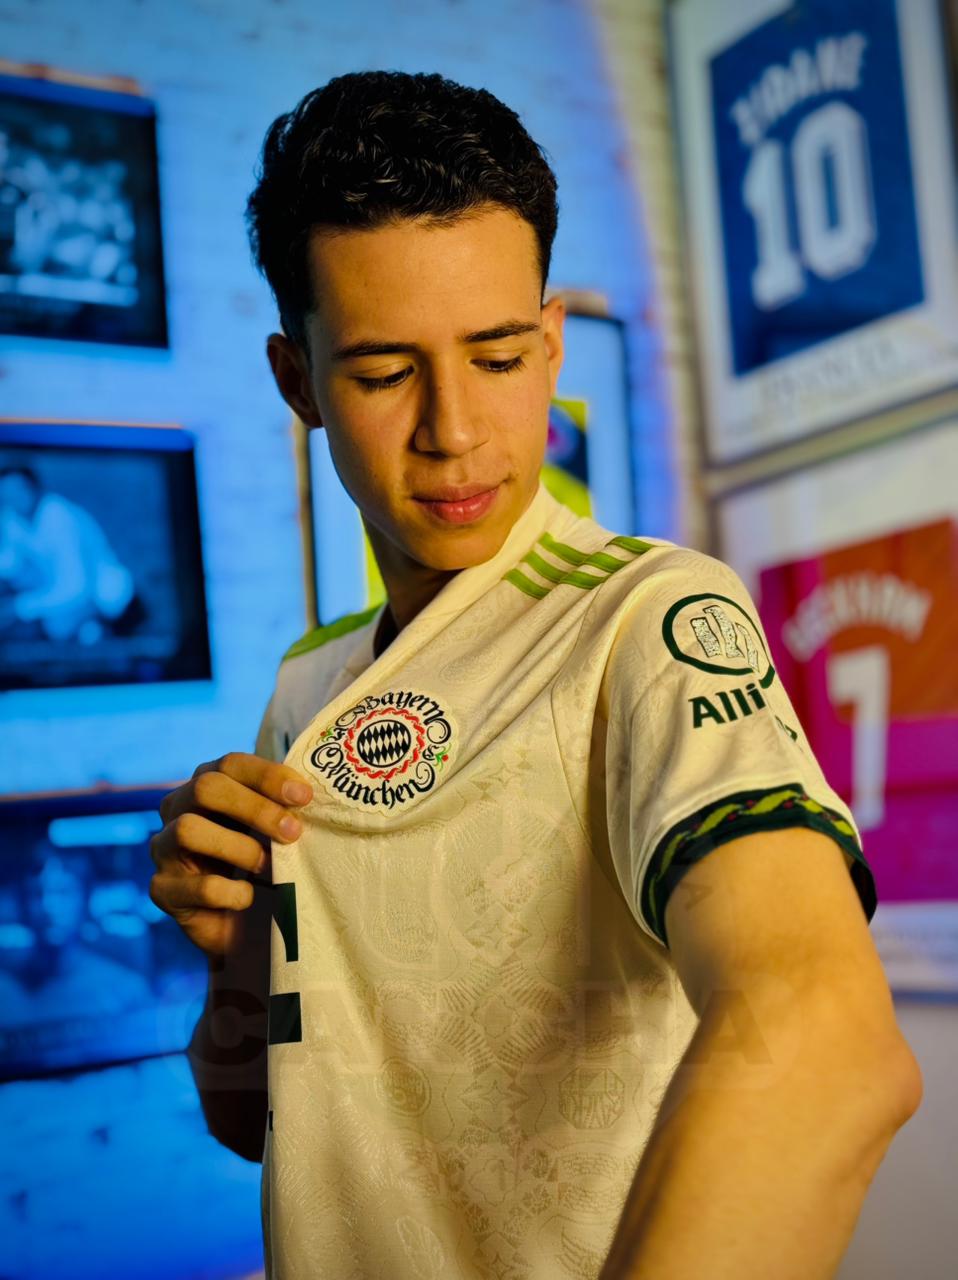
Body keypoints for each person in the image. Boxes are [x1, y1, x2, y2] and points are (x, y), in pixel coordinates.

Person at [149, 71, 921, 1280]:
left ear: (550, 342)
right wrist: (238, 954)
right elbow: (258, 1120)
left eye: (499, 355)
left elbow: (824, 1036)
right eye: (383, 372)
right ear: (297, 381)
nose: (454, 429)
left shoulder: (646, 616)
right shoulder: (309, 687)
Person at [0, 464, 137, 643]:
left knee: (61, 628)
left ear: (35, 488)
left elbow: (77, 587)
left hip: (99, 595)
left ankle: (97, 627)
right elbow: (11, 564)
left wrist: (21, 607)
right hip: (56, 589)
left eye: (18, 490)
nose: (13, 498)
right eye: (6, 494)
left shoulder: (59, 517)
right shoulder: (12, 518)